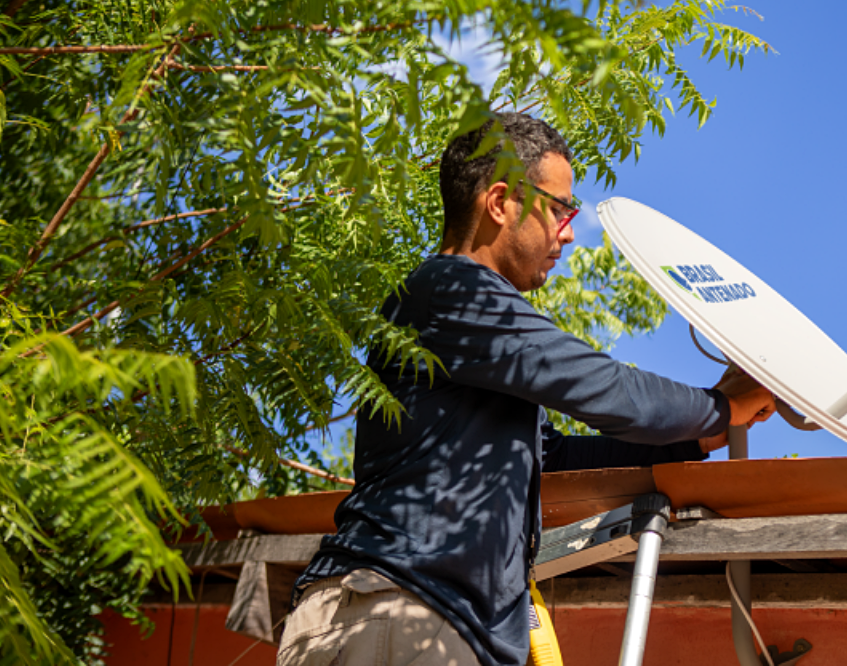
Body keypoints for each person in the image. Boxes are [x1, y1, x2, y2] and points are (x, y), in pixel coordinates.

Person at [278, 113, 776, 666]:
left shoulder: (470, 334)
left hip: (429, 620)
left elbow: (553, 456)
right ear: (500, 203)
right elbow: (603, 388)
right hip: (395, 608)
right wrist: (721, 406)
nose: (567, 230)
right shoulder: (452, 290)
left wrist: (696, 439)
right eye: (561, 208)